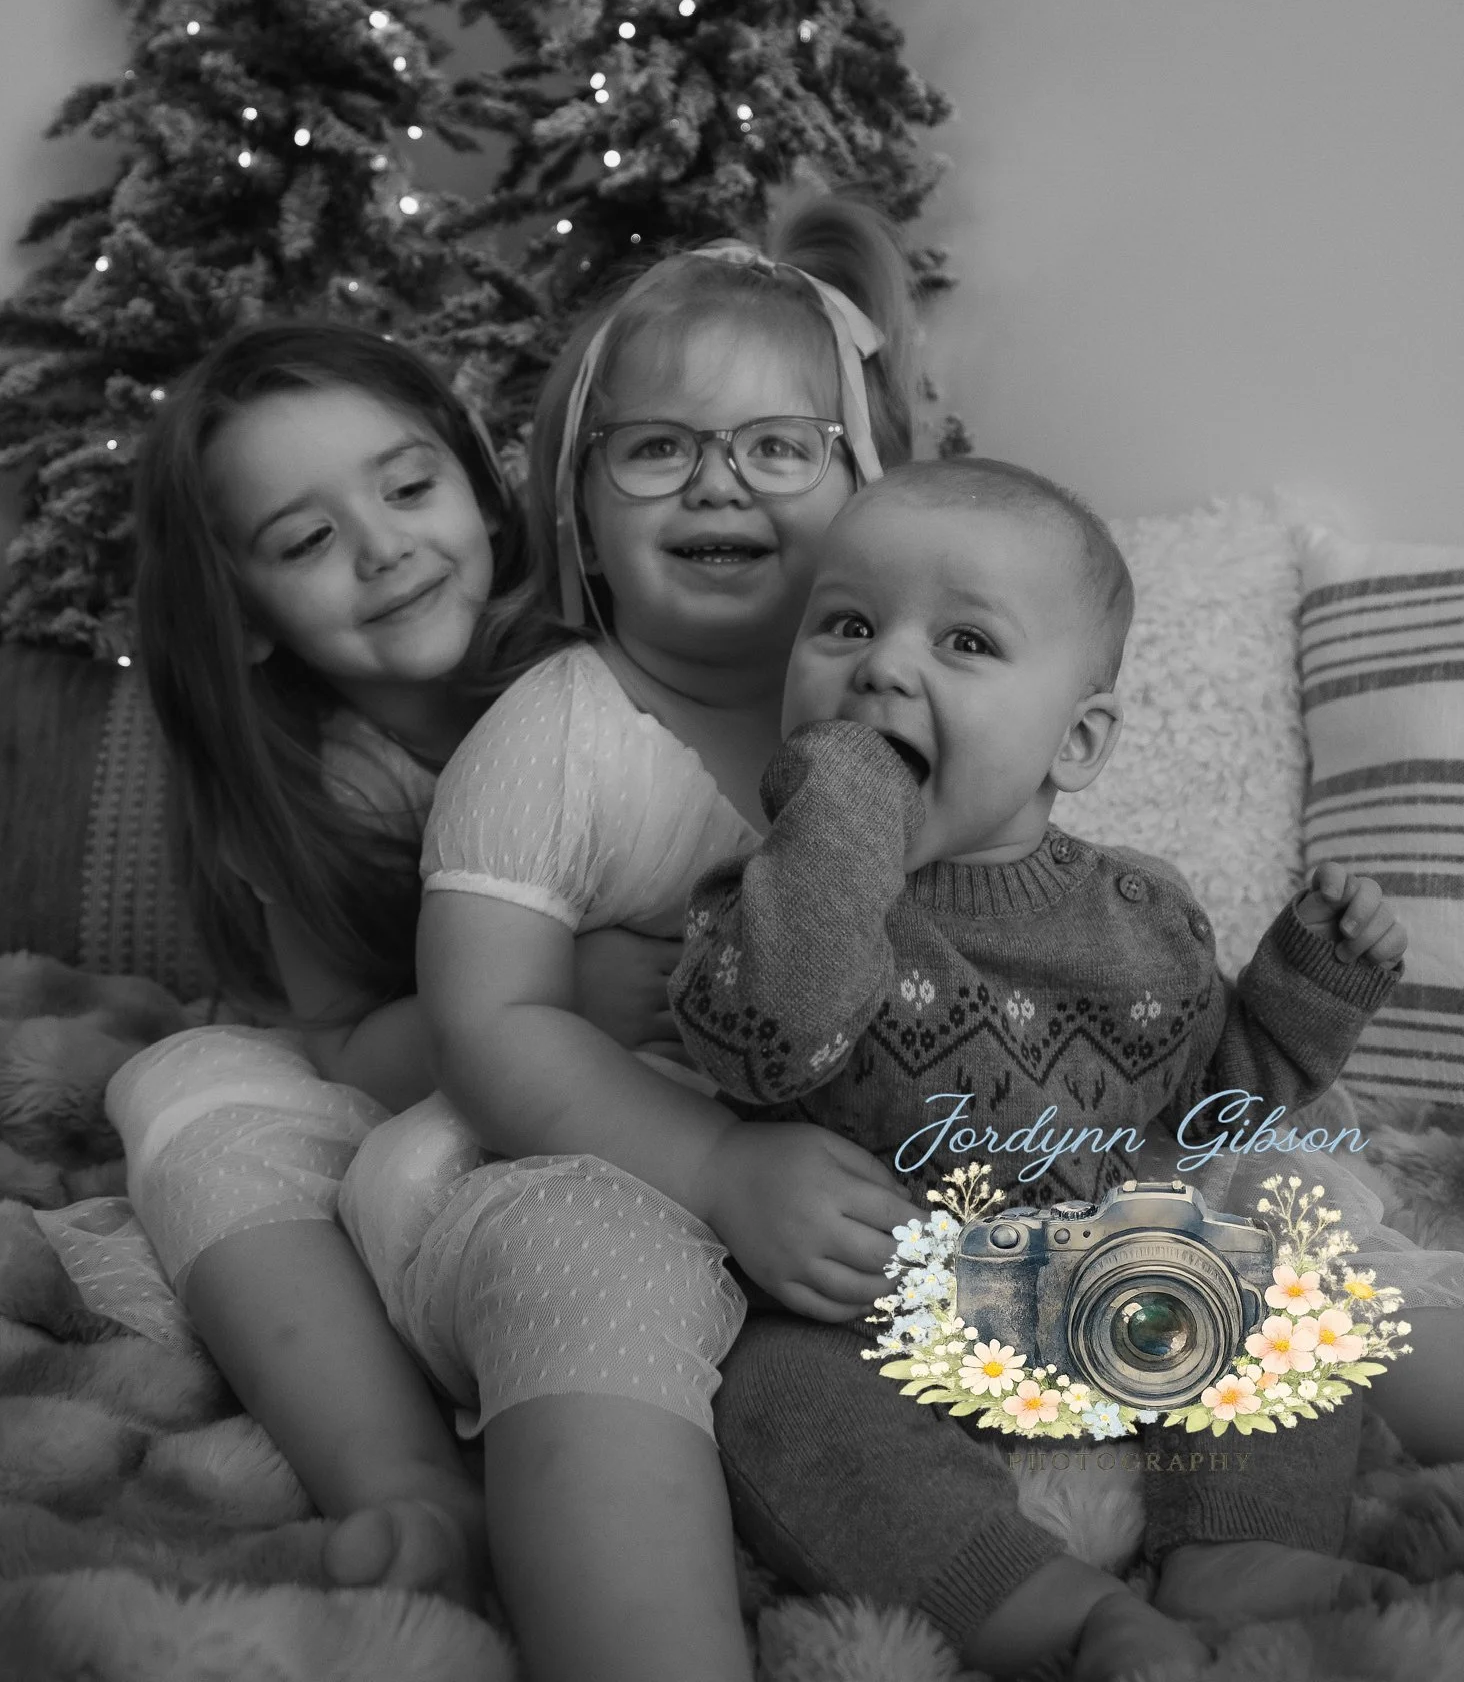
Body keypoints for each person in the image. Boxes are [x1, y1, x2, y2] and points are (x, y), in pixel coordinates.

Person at [670, 456, 1410, 1681]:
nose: (886, 667)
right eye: (847, 626)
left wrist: (1305, 988)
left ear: (1077, 740)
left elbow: (1209, 1108)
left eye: (963, 641)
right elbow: (771, 1042)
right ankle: (1048, 1605)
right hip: (864, 1310)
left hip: (1077, 1282)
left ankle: (1238, 1545)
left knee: (1289, 1280)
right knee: (767, 1401)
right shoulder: (758, 906)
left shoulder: (1140, 912)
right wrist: (846, 810)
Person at [341, 195, 925, 1681]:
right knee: (594, 1273)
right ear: (580, 520)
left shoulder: (903, 727)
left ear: (871, 493)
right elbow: (491, 1029)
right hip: (578, 1156)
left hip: (846, 1179)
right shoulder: (557, 738)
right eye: (657, 449)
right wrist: (719, 1167)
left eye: (779, 447)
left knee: (1204, 1221)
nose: (715, 482)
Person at [106, 320, 745, 1677]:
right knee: (180, 1081)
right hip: (431, 1097)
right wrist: (543, 992)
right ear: (245, 608)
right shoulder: (301, 783)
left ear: (475, 481)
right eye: (303, 539)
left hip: (667, 1101)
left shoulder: (601, 662)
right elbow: (341, 1042)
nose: (384, 547)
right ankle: (400, 1478)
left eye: (407, 490)